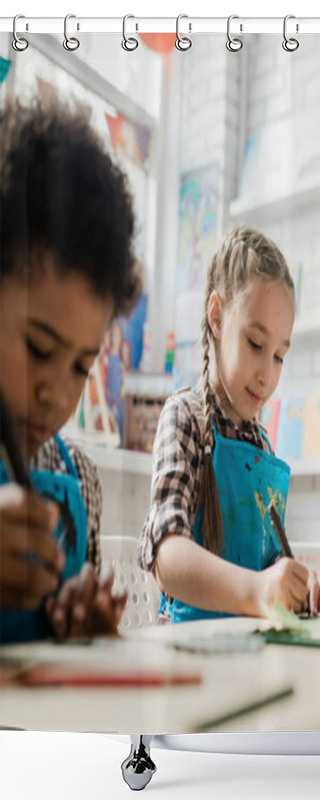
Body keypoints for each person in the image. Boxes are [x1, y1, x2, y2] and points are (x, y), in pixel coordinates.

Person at [138, 225, 320, 622]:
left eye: (279, 356)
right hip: (187, 657)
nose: (267, 375)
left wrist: (303, 585)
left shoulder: (262, 445)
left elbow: (273, 564)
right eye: (256, 345)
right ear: (216, 316)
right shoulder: (184, 418)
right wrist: (257, 590)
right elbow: (167, 554)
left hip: (249, 653)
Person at [0, 97, 141, 643]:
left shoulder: (76, 477)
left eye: (81, 365)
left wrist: (82, 618)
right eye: (38, 348)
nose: (55, 392)